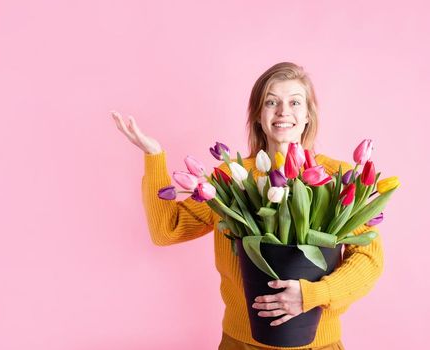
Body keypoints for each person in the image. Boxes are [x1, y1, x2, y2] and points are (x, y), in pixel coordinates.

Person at [111, 62, 382, 349]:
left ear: (307, 116)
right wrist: (154, 156)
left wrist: (312, 294)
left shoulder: (337, 179)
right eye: (271, 102)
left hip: (319, 344)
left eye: (294, 102)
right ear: (257, 115)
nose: (283, 112)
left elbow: (369, 259)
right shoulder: (231, 180)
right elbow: (168, 230)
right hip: (242, 342)